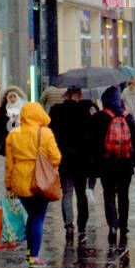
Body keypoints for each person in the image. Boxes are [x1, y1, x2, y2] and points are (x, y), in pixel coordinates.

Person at [3, 101, 61, 268]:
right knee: (37, 218)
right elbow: (56, 157)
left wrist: (8, 184)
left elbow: (9, 163)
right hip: (40, 181)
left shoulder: (13, 134)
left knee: (31, 216)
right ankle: (34, 255)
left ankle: (30, 250)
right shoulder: (45, 133)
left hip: (20, 181)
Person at [90, 85, 135, 248]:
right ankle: (124, 226)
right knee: (123, 194)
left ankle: (112, 225)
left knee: (109, 194)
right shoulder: (128, 117)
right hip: (125, 163)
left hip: (107, 163)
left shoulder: (100, 117)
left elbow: (94, 142)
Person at [48, 85, 91, 241]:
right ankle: (82, 225)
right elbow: (89, 135)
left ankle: (69, 226)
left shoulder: (56, 111)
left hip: (63, 158)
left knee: (67, 192)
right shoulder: (84, 111)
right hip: (81, 159)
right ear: (78, 94)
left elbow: (51, 133)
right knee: (81, 192)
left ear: (66, 94)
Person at [0, 84, 27, 156]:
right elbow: (0, 128)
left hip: (22, 141)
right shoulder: (4, 109)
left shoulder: (24, 108)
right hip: (8, 141)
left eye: (14, 97)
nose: (12, 99)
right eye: (10, 97)